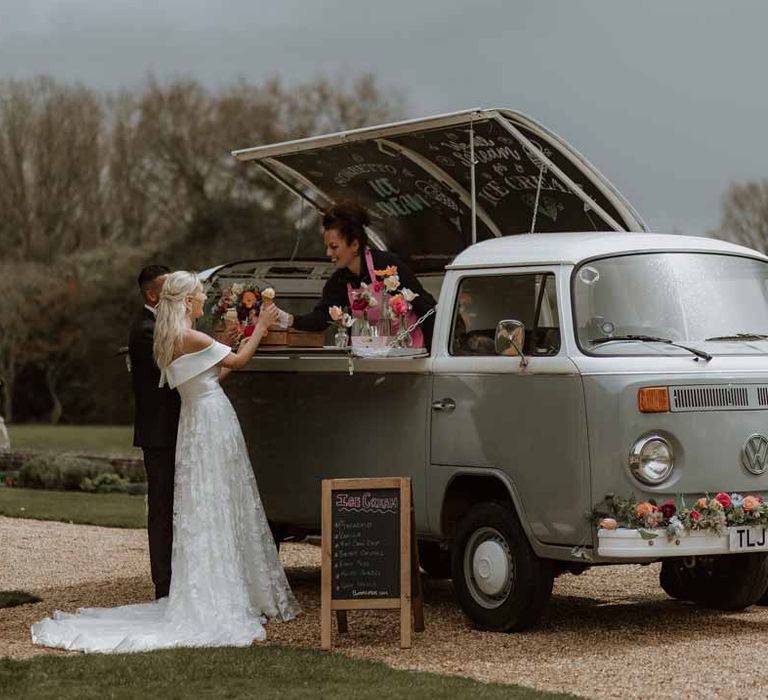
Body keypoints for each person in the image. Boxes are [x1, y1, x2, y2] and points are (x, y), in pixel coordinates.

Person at [32, 271, 299, 652]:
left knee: (204, 501)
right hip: (211, 421)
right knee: (220, 496)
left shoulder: (168, 338)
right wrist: (261, 327)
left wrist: (221, 346)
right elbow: (238, 363)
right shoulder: (191, 337)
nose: (204, 299)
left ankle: (210, 582)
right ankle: (225, 589)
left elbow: (210, 375)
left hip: (195, 419)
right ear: (187, 301)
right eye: (199, 295)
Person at [279, 201, 437, 350]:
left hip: (411, 355)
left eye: (334, 247)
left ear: (355, 244)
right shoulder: (339, 281)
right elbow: (321, 317)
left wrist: (433, 354)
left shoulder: (387, 266)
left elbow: (425, 306)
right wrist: (288, 319)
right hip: (373, 360)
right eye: (327, 247)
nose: (328, 253)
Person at [127, 265, 179, 600]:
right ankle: (163, 584)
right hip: (159, 434)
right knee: (161, 507)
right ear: (152, 294)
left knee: (175, 506)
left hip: (175, 430)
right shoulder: (146, 329)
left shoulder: (163, 325)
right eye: (168, 289)